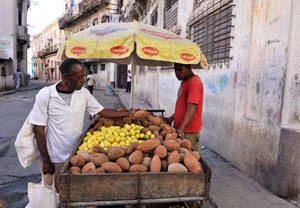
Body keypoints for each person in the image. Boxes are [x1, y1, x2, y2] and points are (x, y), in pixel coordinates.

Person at [29, 58, 138, 190]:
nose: (83, 80)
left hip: (79, 154)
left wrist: (127, 114)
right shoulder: (46, 94)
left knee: (75, 193)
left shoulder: (84, 93)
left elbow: (102, 112)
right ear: (66, 77)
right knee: (58, 193)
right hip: (55, 158)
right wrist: (46, 160)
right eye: (79, 77)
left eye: (84, 76)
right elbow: (38, 129)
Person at [167, 63, 203, 152]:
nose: (177, 73)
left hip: (188, 131)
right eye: (175, 70)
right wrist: (171, 118)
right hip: (181, 130)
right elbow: (183, 107)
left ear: (188, 67)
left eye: (180, 70)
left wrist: (182, 128)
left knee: (190, 158)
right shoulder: (185, 81)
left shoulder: (194, 83)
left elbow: (192, 108)